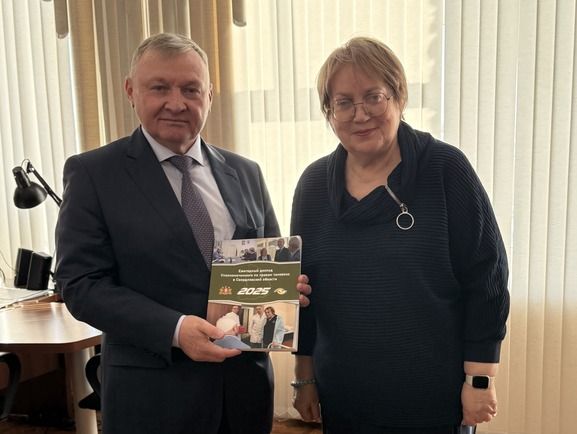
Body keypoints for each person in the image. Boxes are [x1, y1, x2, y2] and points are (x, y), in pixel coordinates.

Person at [55, 32, 311, 434]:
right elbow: (80, 284)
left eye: (191, 89)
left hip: (244, 395)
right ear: (131, 91)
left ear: (209, 94)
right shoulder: (94, 174)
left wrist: (285, 290)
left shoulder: (246, 172)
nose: (176, 103)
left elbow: (269, 267)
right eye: (159, 87)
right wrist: (174, 330)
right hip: (153, 399)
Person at [291, 36, 510, 434]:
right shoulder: (312, 187)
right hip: (344, 395)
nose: (360, 114)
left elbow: (487, 278)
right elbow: (304, 294)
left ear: (399, 96)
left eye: (373, 97)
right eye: (343, 102)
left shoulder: (445, 170)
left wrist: (480, 379)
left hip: (433, 396)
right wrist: (304, 377)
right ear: (329, 112)